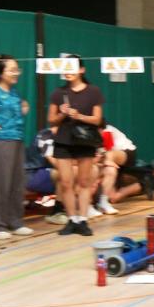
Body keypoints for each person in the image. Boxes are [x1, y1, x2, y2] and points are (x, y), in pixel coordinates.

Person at [48, 56, 104, 237]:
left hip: (84, 140)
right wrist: (63, 114)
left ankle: (83, 220)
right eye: (65, 68)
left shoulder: (93, 91)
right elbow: (51, 119)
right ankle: (72, 219)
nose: (68, 71)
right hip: (63, 141)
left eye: (72, 67)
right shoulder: (58, 93)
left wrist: (79, 116)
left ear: (81, 70)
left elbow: (97, 119)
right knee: (66, 182)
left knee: (84, 182)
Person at [0, 55, 34, 241]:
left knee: (17, 182)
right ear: (0, 72)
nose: (16, 73)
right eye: (11, 70)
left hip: (17, 140)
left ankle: (15, 221)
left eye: (17, 69)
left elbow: (18, 111)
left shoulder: (15, 92)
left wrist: (24, 107)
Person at [94, 122, 150, 213]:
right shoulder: (91, 135)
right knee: (113, 198)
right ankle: (141, 185)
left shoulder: (107, 131)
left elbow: (108, 152)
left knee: (109, 156)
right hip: (112, 163)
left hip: (125, 153)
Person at [24, 127, 68, 226]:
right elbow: (57, 163)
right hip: (32, 175)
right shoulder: (46, 135)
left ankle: (80, 210)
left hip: (46, 174)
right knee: (63, 173)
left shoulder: (66, 137)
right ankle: (57, 212)